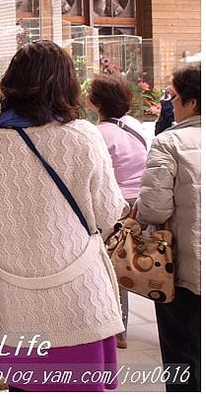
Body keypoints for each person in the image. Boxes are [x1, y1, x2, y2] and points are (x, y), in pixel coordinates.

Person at [0, 41, 127, 391]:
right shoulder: (83, 136)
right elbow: (107, 212)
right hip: (79, 297)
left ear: (12, 84)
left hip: (14, 301)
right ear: (67, 85)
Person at [136, 65, 201, 392]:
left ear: (190, 103)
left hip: (185, 268)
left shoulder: (170, 142)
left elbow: (154, 209)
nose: (169, 104)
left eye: (173, 97)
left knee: (182, 351)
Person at [87, 74, 149, 349]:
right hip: (140, 201)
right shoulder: (134, 125)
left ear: (97, 101)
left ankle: (118, 330)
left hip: (119, 204)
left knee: (114, 265)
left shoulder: (100, 133)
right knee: (125, 259)